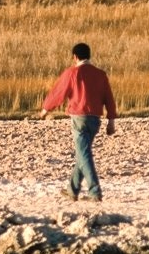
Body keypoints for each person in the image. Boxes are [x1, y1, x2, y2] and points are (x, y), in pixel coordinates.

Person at [39, 42, 117, 202]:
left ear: (75, 57)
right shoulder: (100, 74)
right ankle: (72, 190)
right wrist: (111, 121)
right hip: (95, 119)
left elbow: (59, 93)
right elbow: (109, 98)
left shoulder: (72, 73)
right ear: (89, 55)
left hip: (79, 117)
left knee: (84, 154)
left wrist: (46, 109)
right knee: (83, 153)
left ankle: (94, 191)